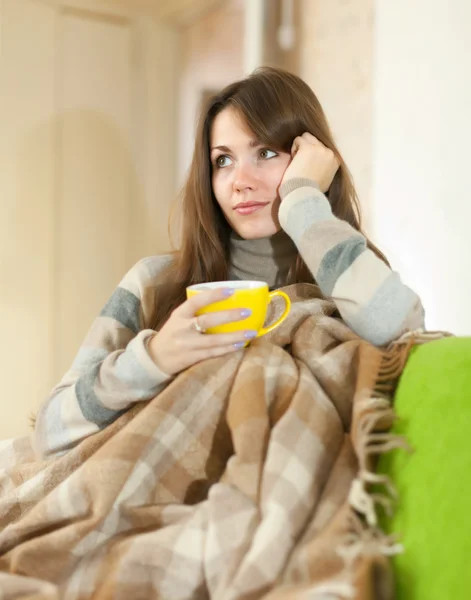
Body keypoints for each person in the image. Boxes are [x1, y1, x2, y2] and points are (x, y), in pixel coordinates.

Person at [34, 67, 424, 459]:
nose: (240, 181)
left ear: (313, 160)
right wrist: (154, 358)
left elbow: (400, 331)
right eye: (223, 161)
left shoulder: (346, 273)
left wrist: (303, 199)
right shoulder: (153, 282)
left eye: (266, 153)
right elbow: (50, 429)